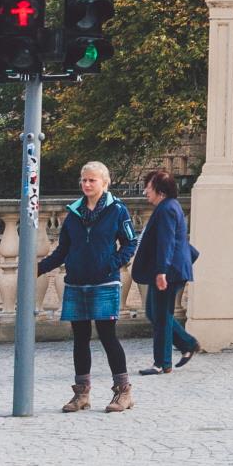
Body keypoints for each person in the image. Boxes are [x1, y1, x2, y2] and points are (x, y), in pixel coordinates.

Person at [36, 161, 138, 413]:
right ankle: (81, 394)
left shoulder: (117, 210)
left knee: (107, 336)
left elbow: (129, 243)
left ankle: (123, 391)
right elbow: (63, 250)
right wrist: (38, 268)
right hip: (76, 283)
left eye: (92, 180)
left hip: (105, 281)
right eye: (84, 180)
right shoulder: (74, 213)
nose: (87, 184)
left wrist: (111, 264)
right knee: (80, 339)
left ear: (105, 183)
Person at [132, 169, 200, 374]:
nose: (145, 191)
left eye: (148, 187)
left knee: (160, 315)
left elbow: (166, 242)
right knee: (157, 313)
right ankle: (187, 344)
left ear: (160, 190)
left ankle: (161, 363)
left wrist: (161, 271)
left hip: (168, 271)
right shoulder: (168, 207)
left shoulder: (167, 209)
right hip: (169, 269)